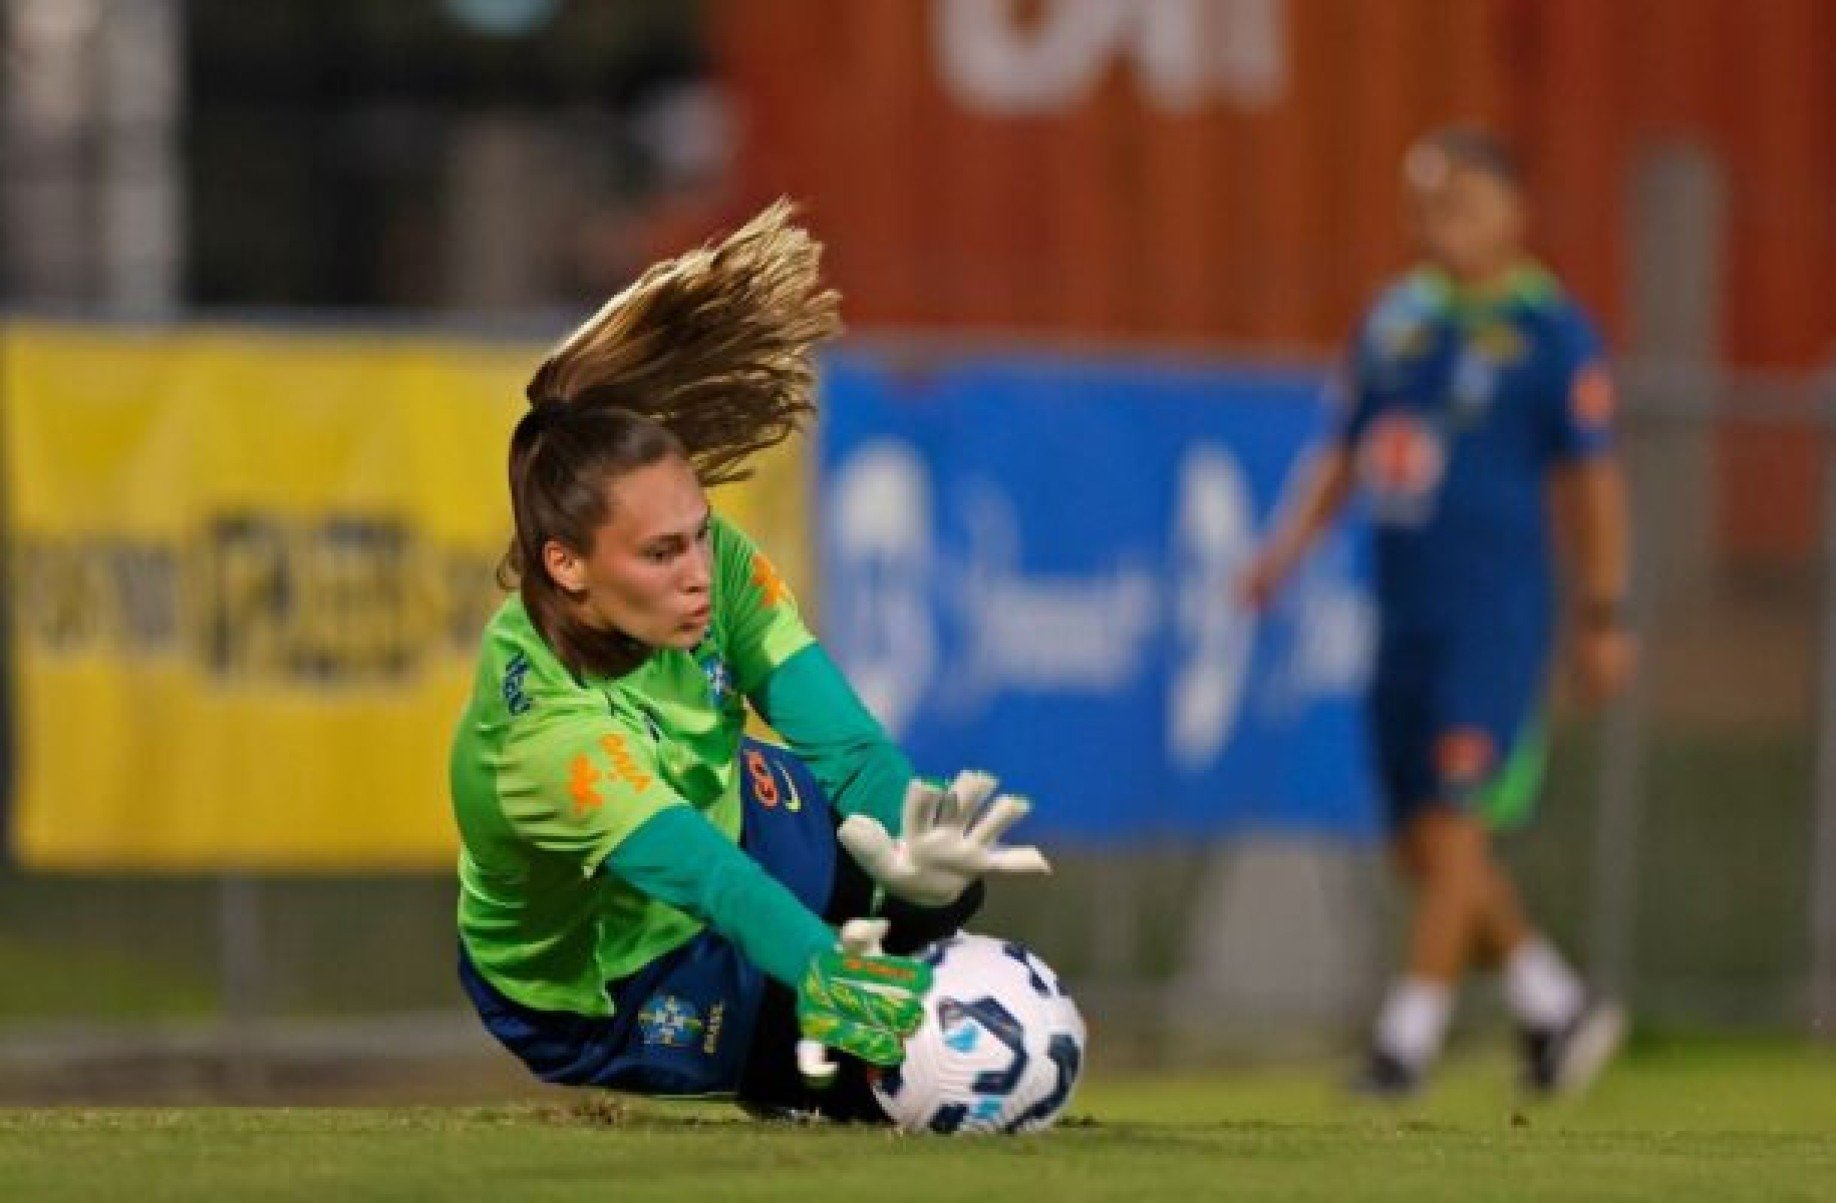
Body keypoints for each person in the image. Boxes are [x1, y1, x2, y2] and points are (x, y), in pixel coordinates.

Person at [450, 202, 1050, 1120]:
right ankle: (831, 1067)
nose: (698, 571)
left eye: (697, 535)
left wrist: (923, 869)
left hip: (722, 815)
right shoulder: (545, 735)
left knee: (914, 876)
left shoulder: (715, 562)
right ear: (566, 566)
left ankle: (883, 1007)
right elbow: (711, 882)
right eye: (660, 554)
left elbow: (846, 749)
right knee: (819, 1065)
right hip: (603, 987)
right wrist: (827, 975)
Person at [1241, 127, 1632, 1096]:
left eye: (1457, 202)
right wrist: (1285, 551)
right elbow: (1343, 446)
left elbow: (1595, 487)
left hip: (1493, 619)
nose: (1436, 225)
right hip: (1403, 611)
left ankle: (1403, 1042)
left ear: (1512, 210)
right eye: (1424, 205)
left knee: (1457, 825)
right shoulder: (1395, 321)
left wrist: (1604, 610)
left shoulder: (1552, 333)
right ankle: (1556, 1004)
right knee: (1421, 841)